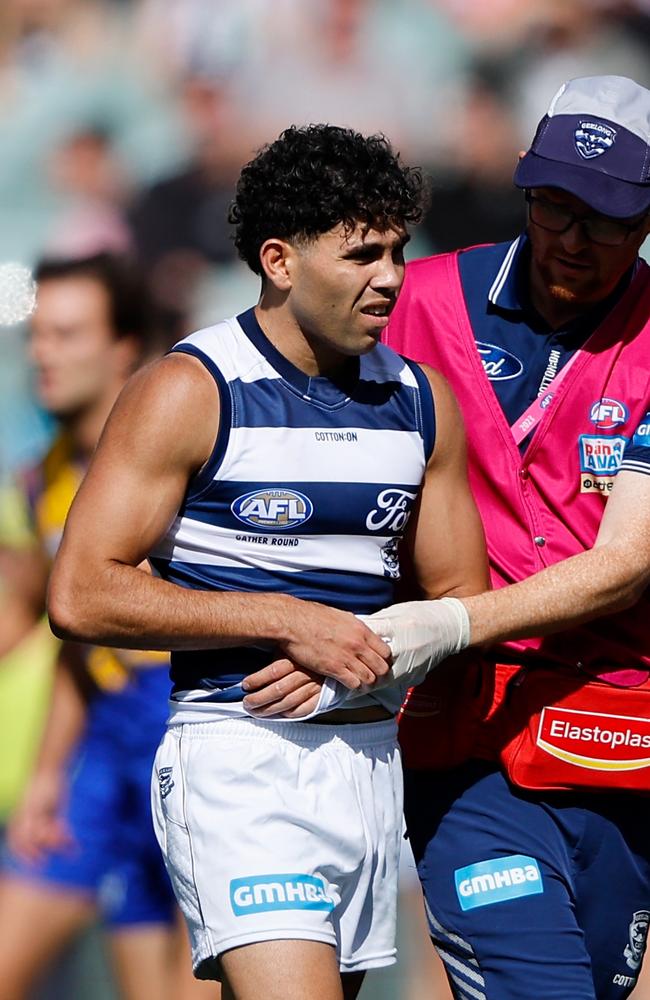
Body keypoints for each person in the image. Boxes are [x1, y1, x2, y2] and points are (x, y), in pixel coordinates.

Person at [46, 124, 490, 1000]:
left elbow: (460, 597)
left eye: (398, 251)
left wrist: (367, 656)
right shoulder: (189, 389)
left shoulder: (421, 403)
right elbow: (82, 590)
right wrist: (287, 618)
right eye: (363, 253)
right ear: (280, 261)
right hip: (239, 756)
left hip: (367, 762)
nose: (392, 277)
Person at [240, 76, 650, 1000]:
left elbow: (629, 563)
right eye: (554, 206)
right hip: (458, 736)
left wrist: (444, 623)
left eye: (608, 218)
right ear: (523, 187)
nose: (573, 239)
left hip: (616, 738)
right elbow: (271, 414)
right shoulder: (411, 299)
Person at [0, 253, 214, 1000]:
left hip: (192, 729)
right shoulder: (40, 480)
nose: (41, 355)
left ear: (125, 349)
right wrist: (48, 775)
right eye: (36, 337)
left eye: (65, 335)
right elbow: (77, 644)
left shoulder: (188, 464)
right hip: (109, 747)